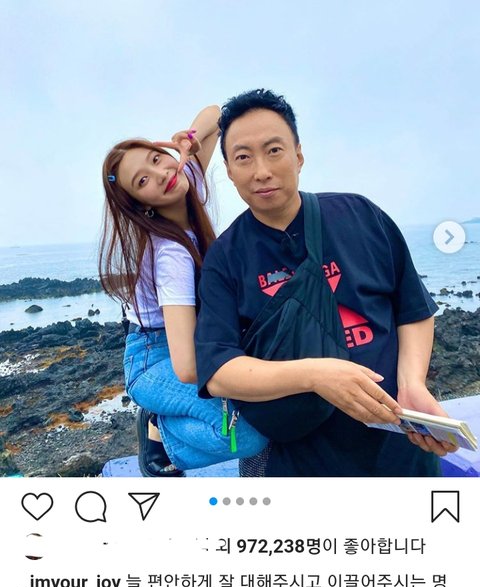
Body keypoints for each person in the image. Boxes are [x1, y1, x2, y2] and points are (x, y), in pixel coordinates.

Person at [194, 89, 459, 477]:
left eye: (274, 150)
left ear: (299, 155)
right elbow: (218, 370)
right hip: (301, 464)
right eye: (243, 157)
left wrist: (412, 384)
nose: (261, 170)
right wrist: (316, 375)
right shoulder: (225, 258)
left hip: (402, 451)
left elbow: (413, 309)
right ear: (230, 172)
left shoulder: (361, 216)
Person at [99, 105, 267, 477]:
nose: (162, 174)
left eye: (157, 158)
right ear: (141, 205)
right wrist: (246, 378)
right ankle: (160, 434)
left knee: (261, 402)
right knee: (249, 432)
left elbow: (217, 115)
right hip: (153, 359)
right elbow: (188, 366)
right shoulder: (170, 256)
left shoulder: (185, 179)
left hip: (191, 340)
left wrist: (187, 140)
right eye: (143, 180)